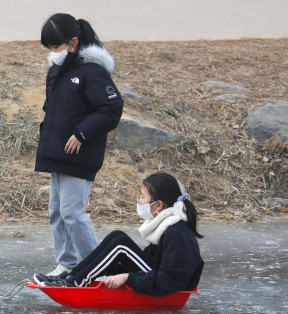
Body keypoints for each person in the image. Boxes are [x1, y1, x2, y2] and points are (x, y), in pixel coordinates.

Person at [35, 13, 124, 279]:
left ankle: (99, 269)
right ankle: (67, 266)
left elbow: (111, 108)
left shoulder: (92, 71)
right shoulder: (57, 71)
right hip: (58, 152)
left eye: (56, 47)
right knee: (57, 213)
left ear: (73, 42)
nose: (53, 53)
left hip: (80, 153)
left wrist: (82, 134)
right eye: (49, 48)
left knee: (73, 213)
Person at [34, 172, 204, 297]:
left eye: (142, 197)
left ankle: (75, 283)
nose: (139, 201)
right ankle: (73, 276)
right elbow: (148, 260)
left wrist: (128, 277)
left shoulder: (176, 233)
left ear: (158, 205)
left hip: (167, 287)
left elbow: (168, 280)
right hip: (161, 277)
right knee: (117, 237)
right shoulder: (167, 226)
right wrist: (117, 267)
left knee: (121, 245)